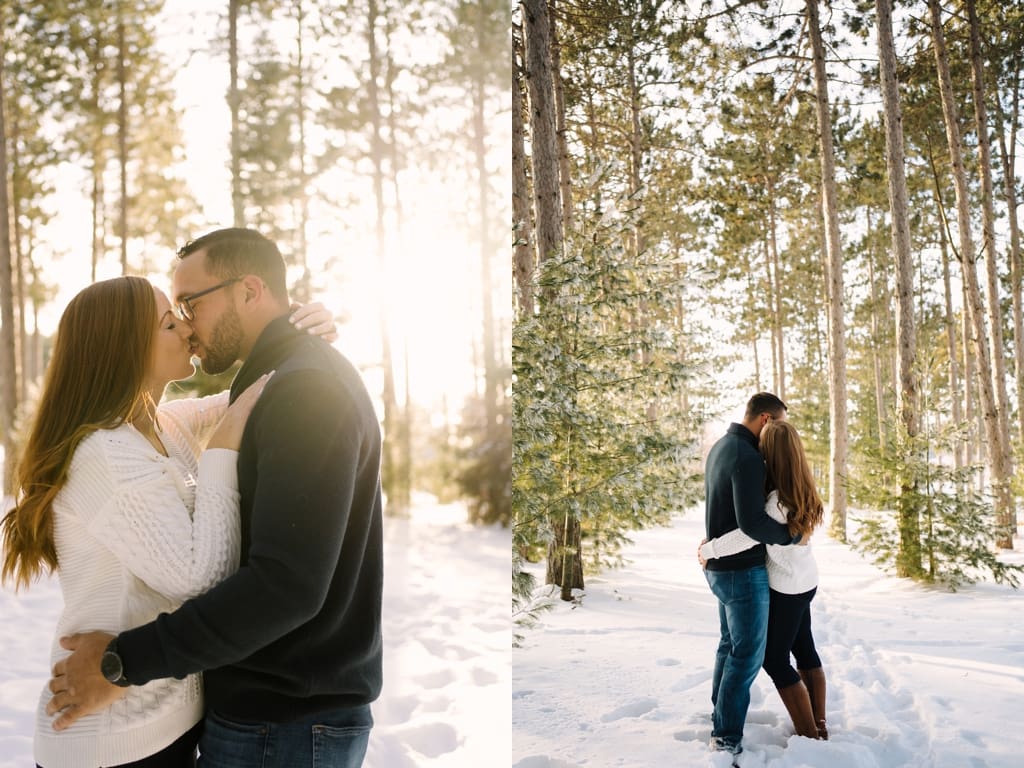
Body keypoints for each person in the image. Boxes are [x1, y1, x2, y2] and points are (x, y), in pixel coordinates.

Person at [45, 228, 384, 768]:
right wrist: (295, 335)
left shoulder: (303, 387)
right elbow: (235, 404)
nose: (184, 324)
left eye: (189, 304)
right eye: (171, 314)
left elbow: (285, 587)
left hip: (286, 719)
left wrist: (121, 662)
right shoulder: (269, 386)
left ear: (249, 291)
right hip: (224, 719)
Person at [0, 274, 336, 767]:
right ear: (125, 348)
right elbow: (202, 576)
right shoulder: (104, 452)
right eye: (167, 323)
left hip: (165, 726)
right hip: (108, 742)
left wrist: (299, 333)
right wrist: (223, 446)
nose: (186, 329)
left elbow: (258, 392)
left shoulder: (162, 427)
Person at [699, 419, 828, 741]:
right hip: (805, 581)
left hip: (786, 587)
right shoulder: (803, 485)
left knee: (774, 658)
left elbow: (748, 536)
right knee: (805, 649)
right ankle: (819, 723)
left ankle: (810, 732)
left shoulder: (776, 500)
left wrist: (710, 549)